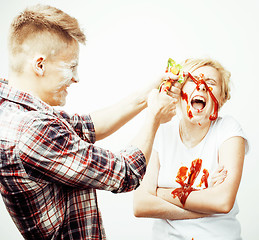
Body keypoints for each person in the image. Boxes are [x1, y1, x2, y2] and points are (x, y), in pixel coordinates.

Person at [0, 4, 181, 240]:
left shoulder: (13, 107)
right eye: (70, 66)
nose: (76, 78)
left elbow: (87, 126)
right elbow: (127, 172)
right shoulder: (33, 130)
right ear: (40, 65)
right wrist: (154, 117)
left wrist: (146, 96)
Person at [133, 58, 249, 240]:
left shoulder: (228, 129)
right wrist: (205, 206)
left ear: (222, 97)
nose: (201, 86)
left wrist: (160, 192)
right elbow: (141, 205)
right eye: (192, 80)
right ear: (178, 92)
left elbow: (222, 202)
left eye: (211, 82)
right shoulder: (160, 132)